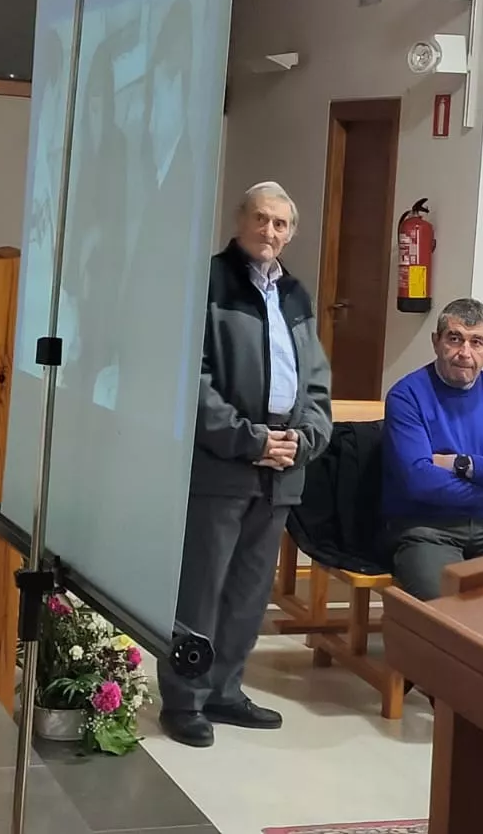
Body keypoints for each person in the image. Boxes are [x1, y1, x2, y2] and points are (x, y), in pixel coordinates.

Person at [158, 182, 332, 748]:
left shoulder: (298, 295)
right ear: (240, 221)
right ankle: (185, 700)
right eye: (261, 219)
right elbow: (191, 380)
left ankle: (227, 691)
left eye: (282, 224)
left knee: (250, 591)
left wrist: (303, 440)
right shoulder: (206, 282)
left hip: (282, 470)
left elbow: (317, 384)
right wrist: (249, 440)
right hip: (223, 465)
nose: (271, 232)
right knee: (202, 589)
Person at [381, 299, 483, 601]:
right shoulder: (407, 395)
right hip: (424, 531)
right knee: (448, 603)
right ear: (436, 342)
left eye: (476, 342)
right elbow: (418, 479)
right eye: (454, 339)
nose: (464, 353)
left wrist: (463, 464)